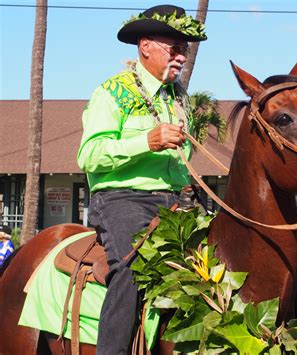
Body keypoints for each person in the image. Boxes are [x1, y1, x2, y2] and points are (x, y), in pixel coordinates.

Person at [77, 5, 206, 353]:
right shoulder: (112, 91)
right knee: (131, 267)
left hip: (175, 202)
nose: (181, 56)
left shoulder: (181, 99)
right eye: (174, 47)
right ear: (145, 45)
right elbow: (88, 155)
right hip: (121, 199)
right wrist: (146, 141)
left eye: (185, 50)